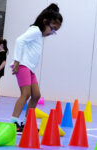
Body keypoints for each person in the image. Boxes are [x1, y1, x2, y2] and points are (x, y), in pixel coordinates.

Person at [10, 3, 63, 134]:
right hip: (23, 65)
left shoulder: (39, 34)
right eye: (52, 29)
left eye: (55, 31)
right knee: (26, 94)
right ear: (45, 22)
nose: (52, 33)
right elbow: (19, 40)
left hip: (30, 69)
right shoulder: (35, 30)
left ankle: (27, 123)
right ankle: (13, 124)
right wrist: (16, 61)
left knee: (36, 95)